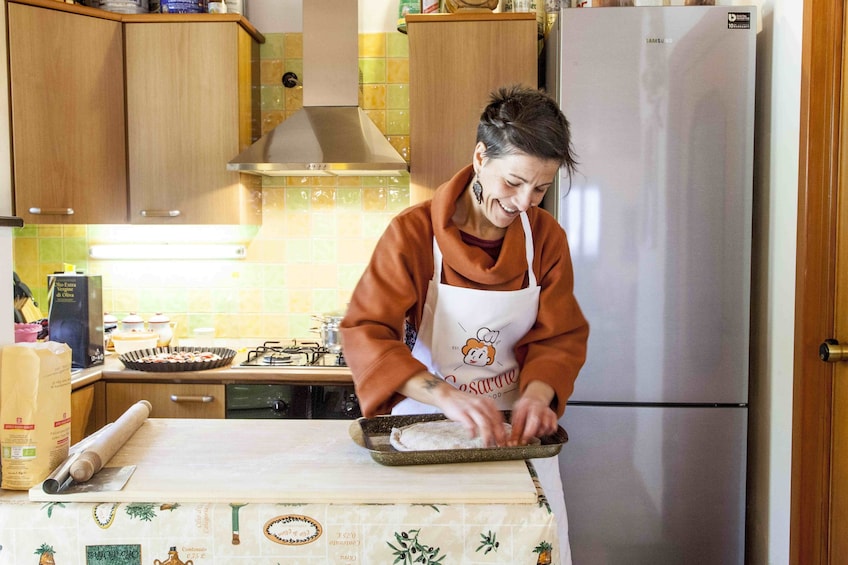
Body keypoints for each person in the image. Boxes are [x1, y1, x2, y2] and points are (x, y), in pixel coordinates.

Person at [340, 85, 589, 565]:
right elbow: (366, 329)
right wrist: (444, 395)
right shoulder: (412, 234)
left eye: (541, 188)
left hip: (513, 438)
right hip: (427, 423)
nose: (524, 203)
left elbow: (560, 336)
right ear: (480, 157)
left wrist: (539, 395)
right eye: (513, 182)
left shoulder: (546, 238)